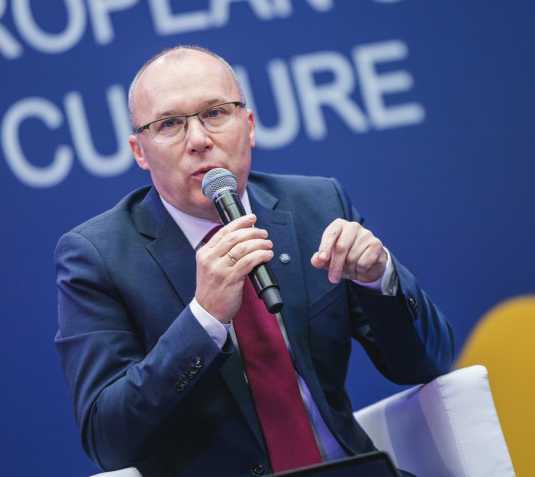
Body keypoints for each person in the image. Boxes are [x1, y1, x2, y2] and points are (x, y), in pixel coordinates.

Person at [55, 45, 454, 477]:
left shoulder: (318, 205)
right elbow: (108, 440)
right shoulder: (98, 257)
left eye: (215, 113)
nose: (198, 140)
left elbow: (429, 364)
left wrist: (380, 279)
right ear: (139, 151)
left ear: (249, 126)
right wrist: (204, 320)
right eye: (169, 124)